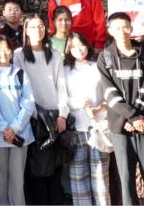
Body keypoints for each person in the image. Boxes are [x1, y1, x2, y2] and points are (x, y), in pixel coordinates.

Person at [99, 12, 144, 206]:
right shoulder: (105, 57)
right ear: (110, 31)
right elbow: (109, 92)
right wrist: (130, 117)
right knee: (126, 179)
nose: (122, 31)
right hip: (121, 126)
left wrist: (137, 118)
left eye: (125, 27)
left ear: (131, 28)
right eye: (117, 28)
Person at [14, 12, 66, 206]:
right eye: (33, 27)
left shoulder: (55, 55)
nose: (38, 30)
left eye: (41, 26)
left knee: (54, 164)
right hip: (32, 116)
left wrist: (62, 114)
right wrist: (36, 115)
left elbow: (62, 86)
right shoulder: (18, 55)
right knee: (35, 166)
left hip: (54, 115)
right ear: (26, 30)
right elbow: (19, 88)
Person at [58, 32, 111, 206]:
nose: (79, 49)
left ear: (87, 45)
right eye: (74, 46)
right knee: (78, 173)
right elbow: (62, 97)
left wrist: (100, 107)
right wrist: (78, 103)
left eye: (81, 45)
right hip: (77, 127)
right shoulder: (65, 70)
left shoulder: (98, 67)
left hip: (99, 126)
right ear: (68, 49)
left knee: (100, 174)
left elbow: (109, 93)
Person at [0, 34, 33, 206]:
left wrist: (15, 127)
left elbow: (28, 102)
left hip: (20, 135)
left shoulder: (20, 73)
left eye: (7, 49)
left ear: (12, 52)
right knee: (0, 180)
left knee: (18, 180)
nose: (3, 53)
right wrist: (4, 128)